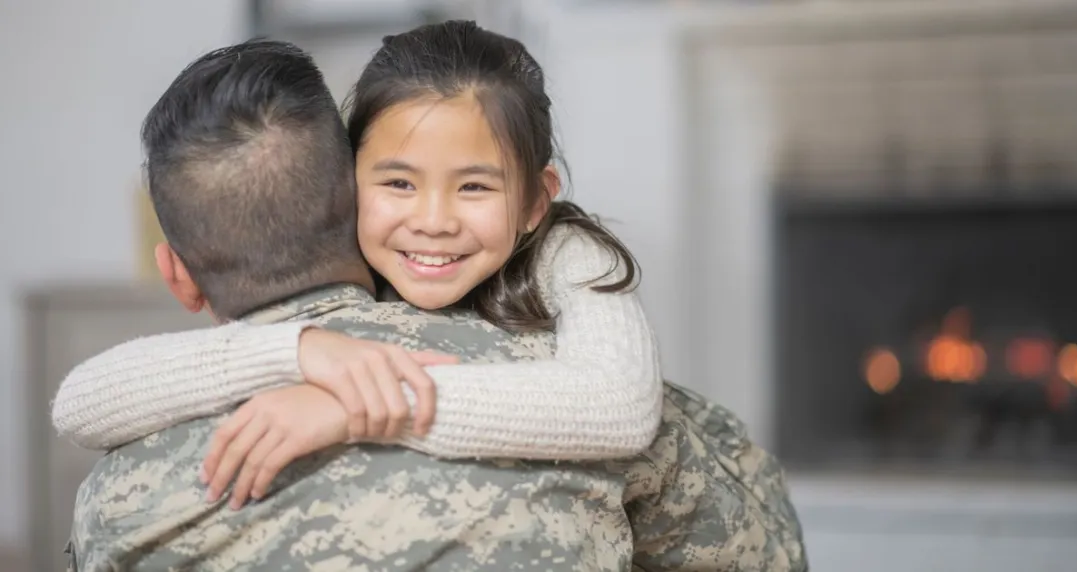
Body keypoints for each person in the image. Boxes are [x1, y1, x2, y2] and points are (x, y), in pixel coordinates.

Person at [65, 27, 807, 571]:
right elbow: (79, 402)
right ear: (346, 187)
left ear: (534, 200)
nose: (433, 218)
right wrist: (299, 352)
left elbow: (617, 407)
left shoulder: (567, 261)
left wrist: (357, 408)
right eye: (396, 182)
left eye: (475, 186)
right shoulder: (373, 283)